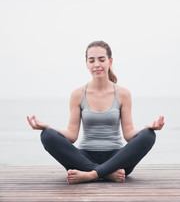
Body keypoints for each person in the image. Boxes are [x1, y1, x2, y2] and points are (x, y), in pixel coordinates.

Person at [27, 41, 165, 184]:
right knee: (47, 135)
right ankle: (105, 174)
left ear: (110, 61)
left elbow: (129, 134)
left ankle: (91, 175)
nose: (96, 64)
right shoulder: (78, 94)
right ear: (86, 64)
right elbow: (72, 135)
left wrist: (148, 128)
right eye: (91, 60)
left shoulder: (123, 93)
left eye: (101, 59)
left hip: (117, 159)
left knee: (148, 135)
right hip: (83, 158)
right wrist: (48, 127)